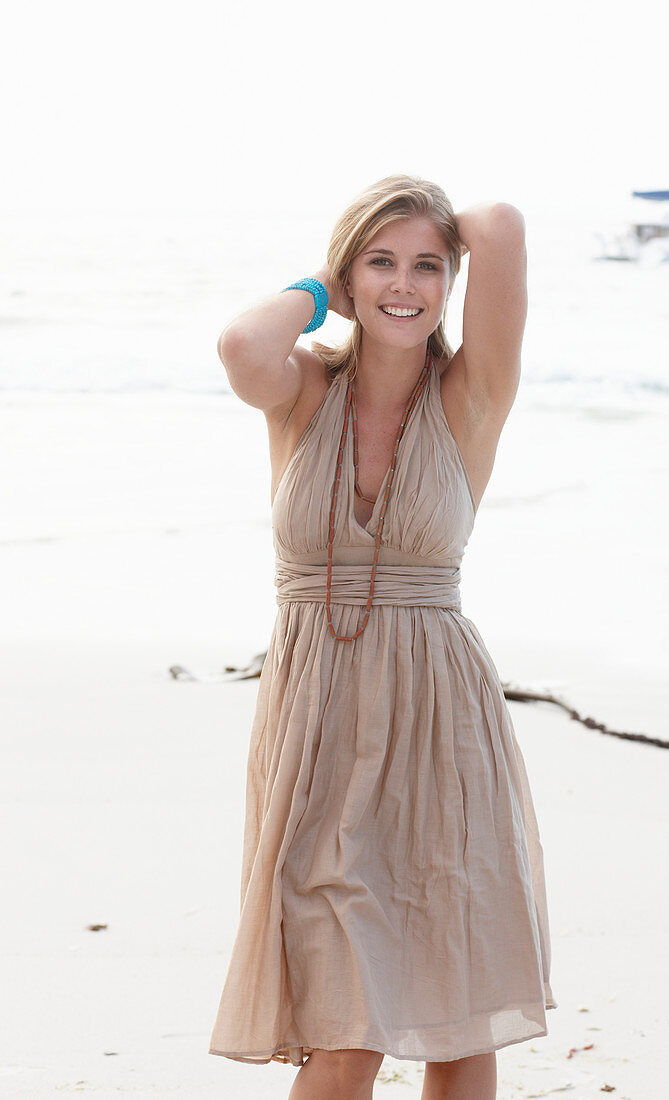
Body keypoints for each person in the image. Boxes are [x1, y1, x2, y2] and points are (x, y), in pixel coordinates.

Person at [208, 174, 557, 1100]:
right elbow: (242, 343)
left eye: (427, 267)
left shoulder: (471, 391)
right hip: (316, 727)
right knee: (344, 1030)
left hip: (438, 724)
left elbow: (500, 224)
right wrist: (325, 280)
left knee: (456, 1012)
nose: (404, 284)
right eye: (381, 263)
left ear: (451, 280)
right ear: (348, 275)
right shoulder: (303, 389)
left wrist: (427, 221)